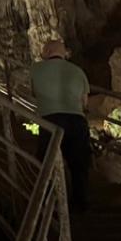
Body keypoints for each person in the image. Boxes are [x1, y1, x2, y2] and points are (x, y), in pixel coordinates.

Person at [29, 40, 92, 212]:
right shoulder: (78, 71)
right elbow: (85, 102)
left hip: (50, 121)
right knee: (78, 163)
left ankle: (51, 205)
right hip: (76, 120)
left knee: (48, 163)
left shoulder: (36, 69)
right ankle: (81, 203)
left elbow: (34, 93)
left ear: (47, 51)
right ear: (63, 53)